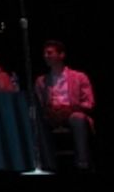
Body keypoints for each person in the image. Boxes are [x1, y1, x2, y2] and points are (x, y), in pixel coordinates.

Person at [34, 40, 95, 171]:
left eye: (49, 53)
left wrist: (69, 110)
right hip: (52, 115)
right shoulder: (41, 81)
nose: (46, 56)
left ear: (61, 55)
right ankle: (48, 165)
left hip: (71, 112)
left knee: (78, 118)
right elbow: (39, 105)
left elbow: (89, 102)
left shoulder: (79, 77)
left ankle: (82, 163)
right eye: (44, 53)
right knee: (38, 121)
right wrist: (49, 111)